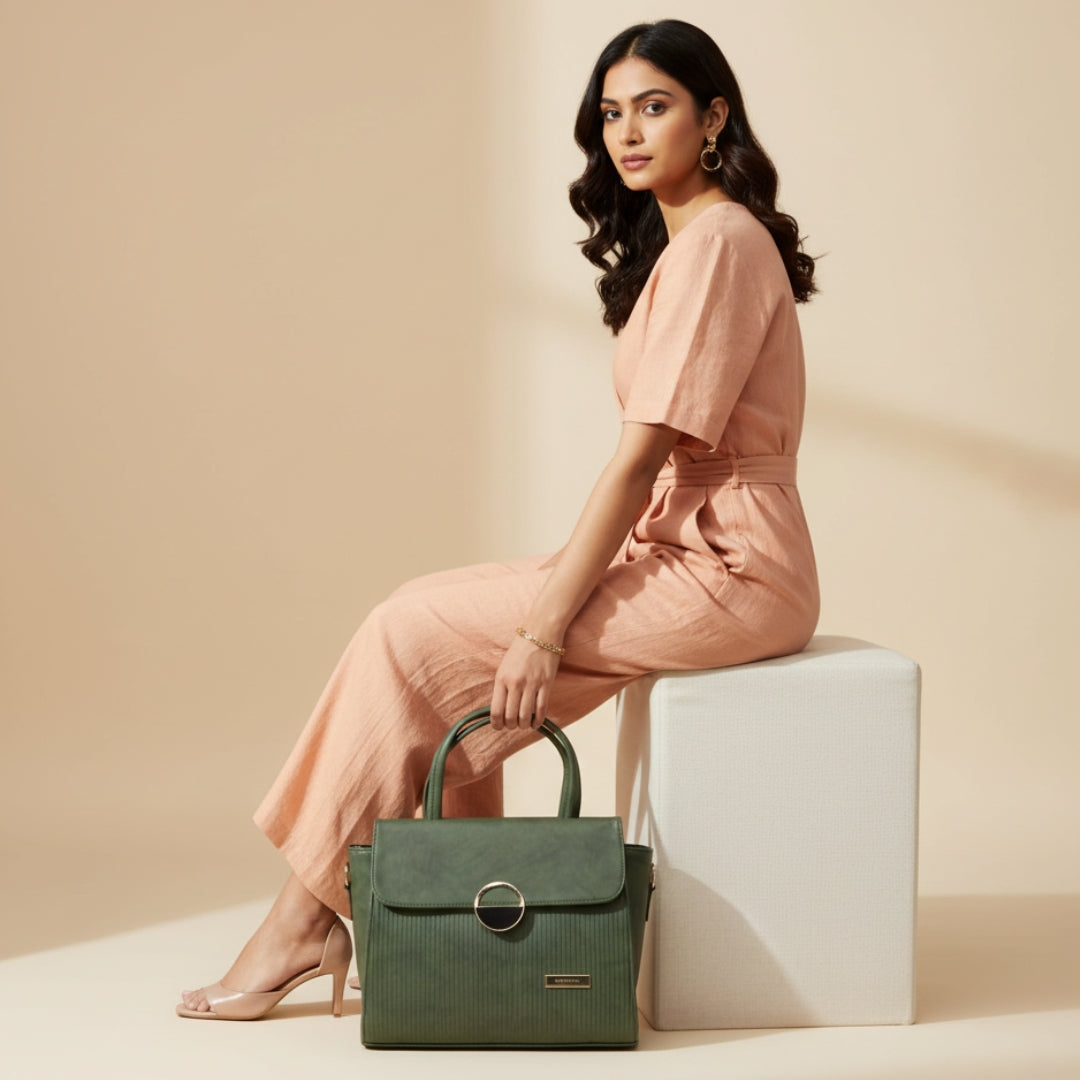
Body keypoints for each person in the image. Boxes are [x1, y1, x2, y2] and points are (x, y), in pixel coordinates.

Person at [177, 17, 820, 1020]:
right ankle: (431, 911)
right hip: (688, 543)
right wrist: (550, 593)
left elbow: (641, 457)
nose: (627, 134)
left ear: (715, 115)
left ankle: (306, 922)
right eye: (612, 113)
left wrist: (542, 624)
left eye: (655, 107)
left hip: (733, 568)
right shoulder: (691, 243)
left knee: (413, 635)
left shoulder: (721, 245)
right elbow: (653, 474)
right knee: (416, 616)